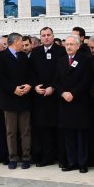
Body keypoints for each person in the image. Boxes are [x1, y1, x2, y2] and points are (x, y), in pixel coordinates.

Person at [0, 32, 33, 169]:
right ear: (15, 41)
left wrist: (29, 85)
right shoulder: (1, 56)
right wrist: (13, 89)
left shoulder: (23, 56)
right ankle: (13, 158)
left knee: (25, 130)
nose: (23, 44)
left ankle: (26, 157)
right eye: (21, 41)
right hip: (9, 99)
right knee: (11, 131)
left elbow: (30, 74)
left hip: (24, 98)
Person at [57, 34, 92, 173]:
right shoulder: (60, 61)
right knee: (68, 135)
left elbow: (86, 80)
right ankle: (72, 161)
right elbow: (56, 80)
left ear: (78, 46)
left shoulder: (85, 60)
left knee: (81, 135)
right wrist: (63, 93)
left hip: (79, 102)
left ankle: (83, 163)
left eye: (72, 44)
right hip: (65, 102)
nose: (69, 47)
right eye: (67, 44)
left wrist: (74, 93)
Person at [29, 26, 62, 167]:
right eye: (43, 35)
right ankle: (44, 155)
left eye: (49, 35)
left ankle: (59, 156)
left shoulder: (60, 51)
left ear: (53, 36)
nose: (46, 37)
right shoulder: (35, 52)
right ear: (40, 37)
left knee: (56, 128)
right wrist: (35, 85)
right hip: (39, 96)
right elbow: (30, 72)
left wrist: (53, 87)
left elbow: (61, 73)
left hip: (55, 97)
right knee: (42, 128)